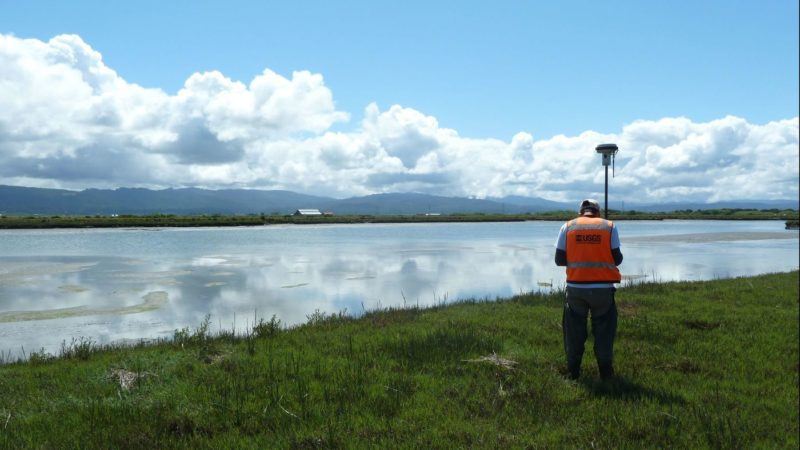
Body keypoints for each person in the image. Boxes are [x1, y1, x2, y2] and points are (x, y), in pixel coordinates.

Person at [554, 199, 623, 380]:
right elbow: (617, 259)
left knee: (574, 334)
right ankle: (606, 375)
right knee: (604, 334)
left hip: (576, 289)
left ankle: (573, 374)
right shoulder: (609, 227)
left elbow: (559, 260)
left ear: (581, 212)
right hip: (603, 290)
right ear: (597, 212)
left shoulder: (567, 227)